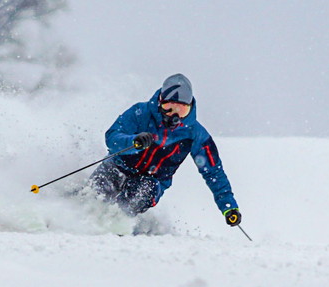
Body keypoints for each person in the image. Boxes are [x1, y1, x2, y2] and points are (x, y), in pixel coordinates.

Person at [88, 73, 242, 231]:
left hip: (151, 180)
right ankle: (77, 214)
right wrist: (134, 141)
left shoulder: (195, 134)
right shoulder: (140, 113)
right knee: (98, 190)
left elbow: (213, 172)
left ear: (190, 108)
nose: (174, 116)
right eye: (169, 108)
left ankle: (116, 226)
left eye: (181, 110)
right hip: (118, 166)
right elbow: (112, 137)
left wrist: (228, 206)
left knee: (139, 194)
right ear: (160, 102)